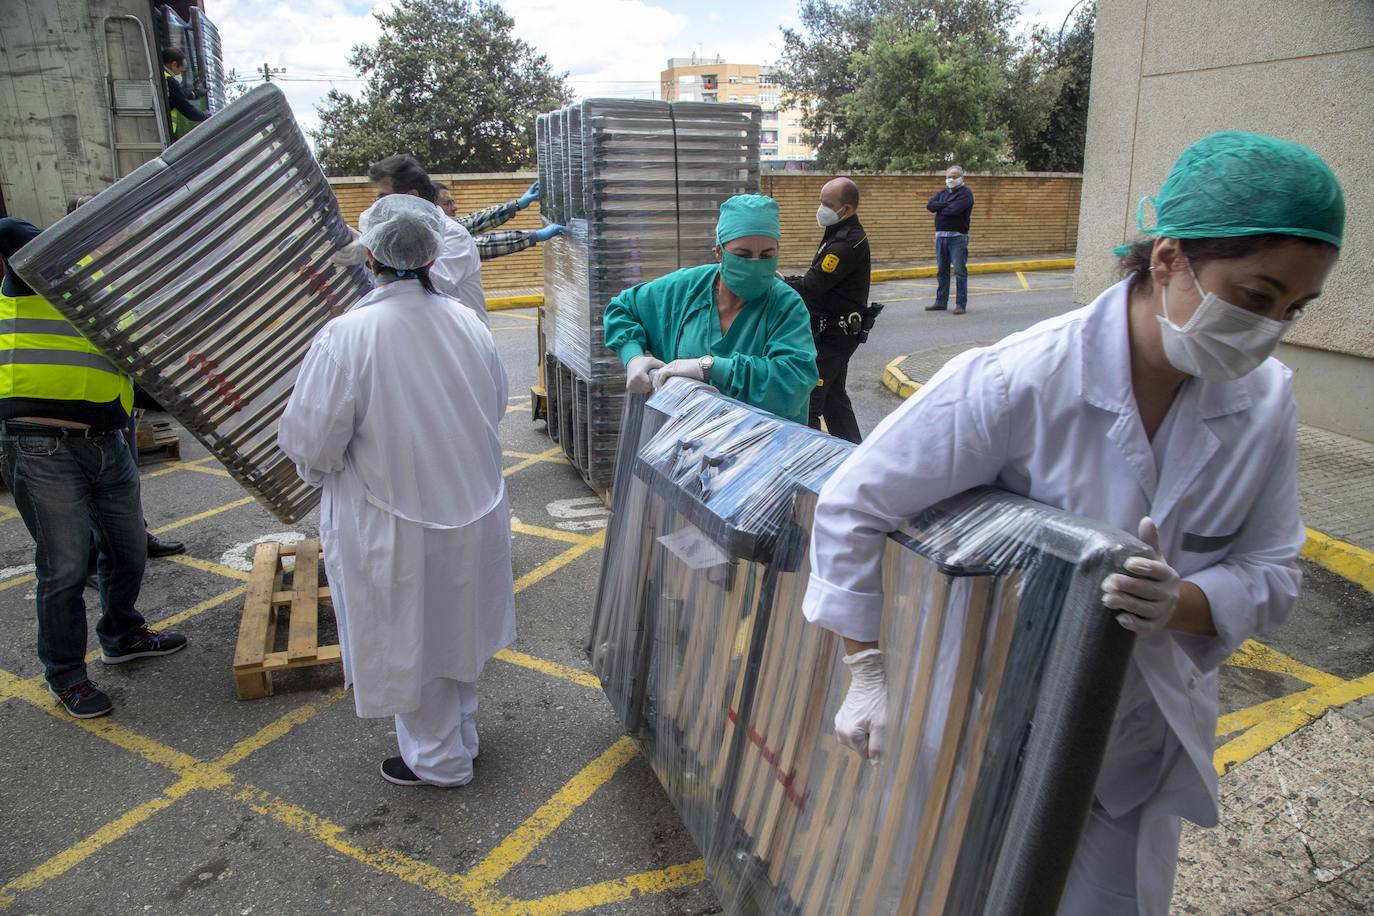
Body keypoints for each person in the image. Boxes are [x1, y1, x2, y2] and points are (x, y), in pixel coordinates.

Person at [801, 131, 1344, 915]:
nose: (1271, 329)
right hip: (986, 720)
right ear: (1167, 260)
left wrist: (1182, 603)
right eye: (1257, 298)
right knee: (963, 892)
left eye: (1294, 309)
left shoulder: (1264, 401)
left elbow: (1274, 569)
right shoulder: (1019, 378)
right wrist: (867, 672)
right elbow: (856, 500)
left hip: (1132, 739)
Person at [279, 194, 515, 787]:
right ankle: (461, 736)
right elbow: (494, 404)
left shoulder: (348, 335)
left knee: (412, 644)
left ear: (369, 256)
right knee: (456, 632)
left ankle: (438, 762)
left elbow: (311, 441)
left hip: (391, 521)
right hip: (471, 509)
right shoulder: (467, 322)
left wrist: (323, 472)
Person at [0, 218, 188, 720]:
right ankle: (66, 675)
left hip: (108, 444)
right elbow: (10, 230)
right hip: (42, 446)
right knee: (62, 569)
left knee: (128, 550)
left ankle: (122, 634)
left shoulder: (106, 296)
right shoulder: (32, 278)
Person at [603, 194, 818, 425]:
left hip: (760, 449)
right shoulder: (685, 289)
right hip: (685, 442)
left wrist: (709, 367)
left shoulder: (785, 305)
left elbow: (792, 382)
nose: (755, 264)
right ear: (719, 252)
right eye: (743, 255)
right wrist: (632, 356)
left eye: (767, 256)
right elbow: (622, 308)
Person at [64, 193, 185, 562]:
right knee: (83, 489)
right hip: (78, 403)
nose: (119, 232)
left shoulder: (109, 270)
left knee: (125, 481)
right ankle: (89, 552)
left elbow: (132, 332)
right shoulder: (70, 272)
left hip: (116, 399)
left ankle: (135, 537)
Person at [333, 155, 489, 327]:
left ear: (410, 197)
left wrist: (373, 253)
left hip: (460, 343)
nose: (377, 206)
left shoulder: (452, 235)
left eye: (383, 198)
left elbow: (418, 287)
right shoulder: (421, 235)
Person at [784, 177, 870, 443]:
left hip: (835, 336)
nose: (821, 209)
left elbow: (813, 286)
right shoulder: (837, 234)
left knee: (810, 401)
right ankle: (856, 457)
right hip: (832, 332)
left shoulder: (846, 243)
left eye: (827, 204)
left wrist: (781, 285)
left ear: (847, 209)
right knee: (835, 401)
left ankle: (807, 466)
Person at [433, 180, 565, 260]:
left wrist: (517, 204)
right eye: (447, 203)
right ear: (431, 209)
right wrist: (535, 236)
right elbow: (484, 245)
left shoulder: (442, 226)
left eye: (453, 202)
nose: (455, 207)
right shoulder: (436, 239)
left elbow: (473, 221)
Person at [925, 165, 974, 314]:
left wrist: (940, 208)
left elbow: (955, 210)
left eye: (954, 176)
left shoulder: (966, 193)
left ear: (961, 178)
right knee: (942, 271)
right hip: (941, 237)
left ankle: (960, 304)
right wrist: (944, 205)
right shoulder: (943, 192)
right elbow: (930, 205)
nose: (951, 179)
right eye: (948, 177)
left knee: (959, 271)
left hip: (957, 238)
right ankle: (940, 302)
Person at [161, 48, 208, 140]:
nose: (181, 74)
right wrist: (204, 116)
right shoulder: (170, 81)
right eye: (182, 71)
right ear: (174, 65)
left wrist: (193, 94)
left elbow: (178, 94)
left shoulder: (162, 76)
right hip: (164, 130)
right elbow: (184, 106)